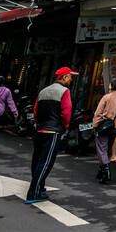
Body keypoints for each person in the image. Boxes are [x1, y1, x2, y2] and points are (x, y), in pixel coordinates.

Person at [26, 67, 76, 203]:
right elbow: (66, 113)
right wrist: (64, 126)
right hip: (53, 131)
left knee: (37, 161)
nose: (71, 79)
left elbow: (35, 111)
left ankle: (40, 189)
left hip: (40, 130)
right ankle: (33, 193)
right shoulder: (64, 91)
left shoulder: (43, 91)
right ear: (64, 77)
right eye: (70, 76)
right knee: (46, 162)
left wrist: (39, 124)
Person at [92, 79, 116, 183]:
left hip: (104, 126)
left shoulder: (107, 97)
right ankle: (101, 171)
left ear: (113, 86)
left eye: (110, 84)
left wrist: (95, 125)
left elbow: (98, 113)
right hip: (115, 128)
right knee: (106, 149)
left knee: (101, 148)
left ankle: (106, 171)